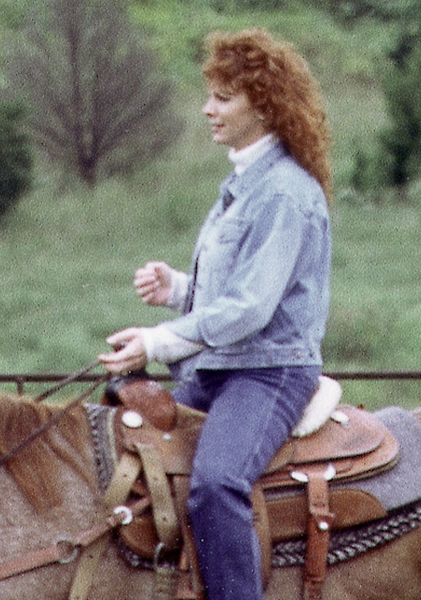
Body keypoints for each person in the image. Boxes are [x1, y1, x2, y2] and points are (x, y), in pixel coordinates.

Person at [98, 27, 333, 600]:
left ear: (265, 103)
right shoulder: (244, 184)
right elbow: (236, 289)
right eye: (211, 95)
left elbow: (252, 309)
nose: (208, 109)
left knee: (215, 484)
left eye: (223, 97)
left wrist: (158, 342)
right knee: (119, 448)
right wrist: (178, 288)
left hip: (269, 373)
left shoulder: (283, 193)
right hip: (219, 369)